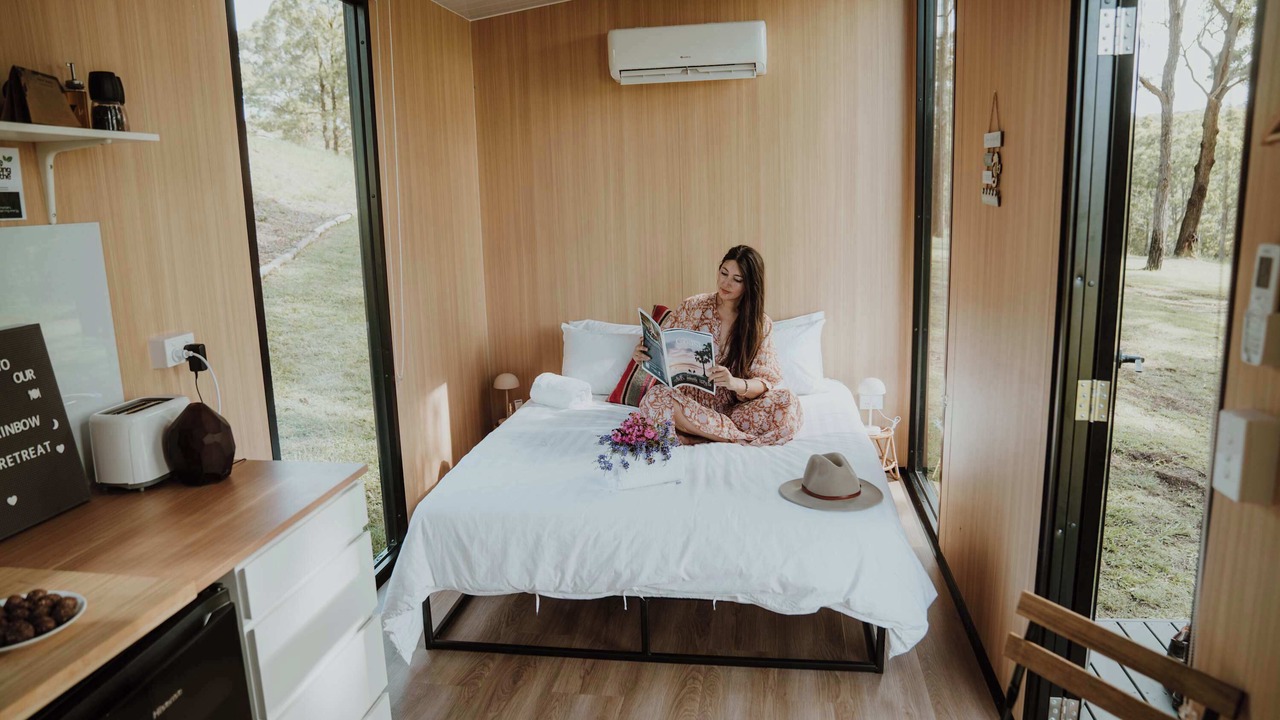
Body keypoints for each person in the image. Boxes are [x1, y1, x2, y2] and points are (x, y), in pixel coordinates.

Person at [634, 245, 803, 446]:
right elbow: (662, 345)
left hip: (734, 412)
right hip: (690, 406)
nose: (726, 282)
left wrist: (734, 383)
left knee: (788, 403)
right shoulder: (693, 306)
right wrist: (644, 354)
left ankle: (699, 435)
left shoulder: (760, 324)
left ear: (750, 285)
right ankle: (730, 437)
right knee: (655, 398)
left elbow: (765, 382)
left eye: (736, 279)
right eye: (724, 273)